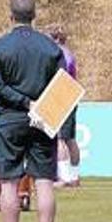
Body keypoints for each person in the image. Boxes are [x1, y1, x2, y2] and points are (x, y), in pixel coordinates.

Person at [0, 0, 62, 222]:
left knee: (9, 182)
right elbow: (61, 85)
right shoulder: (51, 47)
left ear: (11, 16)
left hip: (11, 119)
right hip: (43, 118)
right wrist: (41, 106)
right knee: (44, 181)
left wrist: (22, 101)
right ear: (34, 16)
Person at [45, 25, 82, 188]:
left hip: (61, 95)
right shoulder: (69, 53)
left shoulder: (59, 55)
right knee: (70, 138)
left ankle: (65, 177)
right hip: (71, 94)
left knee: (59, 138)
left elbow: (59, 78)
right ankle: (74, 176)